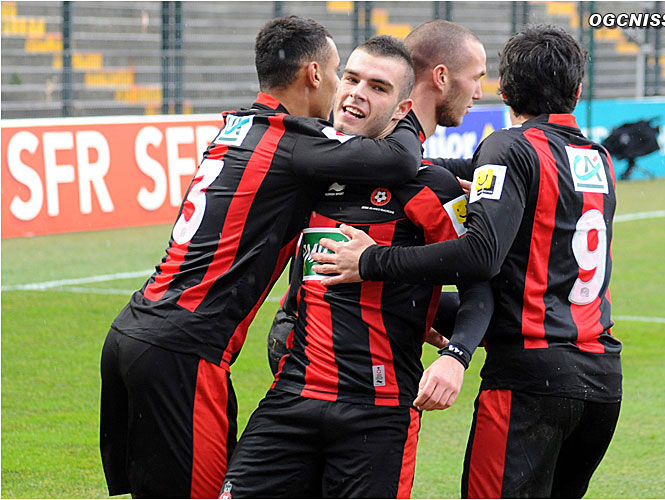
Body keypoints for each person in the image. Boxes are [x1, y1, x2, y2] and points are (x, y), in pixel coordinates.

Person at [98, 16, 424, 499]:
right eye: (341, 74)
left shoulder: (239, 126)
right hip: (186, 352)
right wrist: (411, 117)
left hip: (134, 334)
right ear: (314, 75)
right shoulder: (298, 145)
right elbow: (397, 161)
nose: (342, 89)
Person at [313, 24, 622, 499]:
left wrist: (375, 260)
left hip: (530, 380)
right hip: (600, 381)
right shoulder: (598, 159)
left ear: (506, 90)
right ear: (576, 91)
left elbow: (480, 254)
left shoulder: (510, 147)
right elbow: (472, 181)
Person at [221, 27, 490, 499]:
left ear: (404, 108)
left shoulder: (430, 188)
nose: (356, 94)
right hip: (292, 397)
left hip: (378, 411)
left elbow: (479, 281)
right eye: (351, 78)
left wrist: (455, 357)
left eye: (378, 87)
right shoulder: (306, 168)